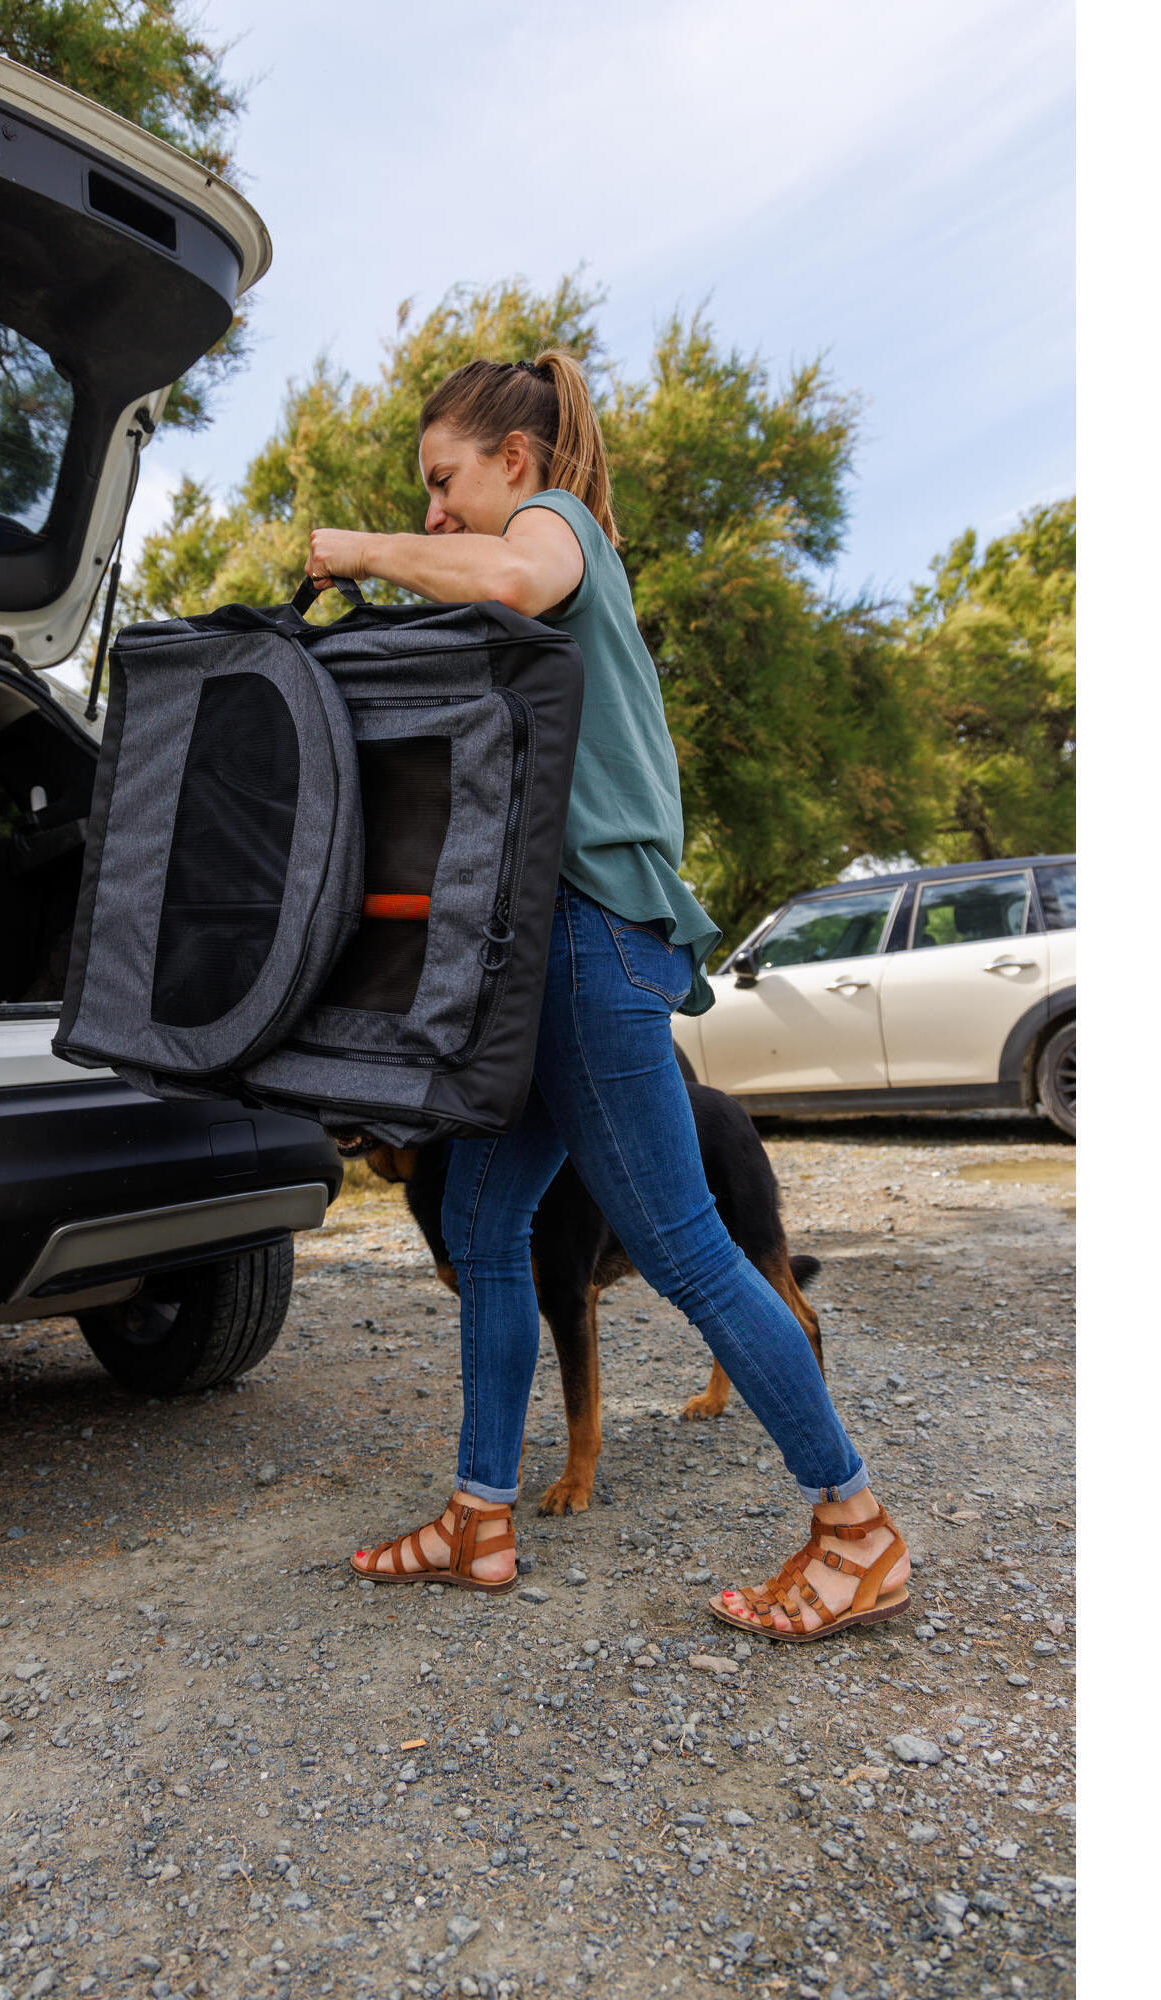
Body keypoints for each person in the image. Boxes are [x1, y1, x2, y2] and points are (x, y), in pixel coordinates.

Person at [308, 353, 910, 1643]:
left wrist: (347, 547)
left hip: (590, 941)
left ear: (513, 462)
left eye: (442, 482)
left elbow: (513, 573)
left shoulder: (554, 526)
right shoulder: (541, 558)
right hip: (557, 949)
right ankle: (479, 1515)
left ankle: (856, 1530)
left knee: (683, 1243)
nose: (432, 513)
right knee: (480, 1220)